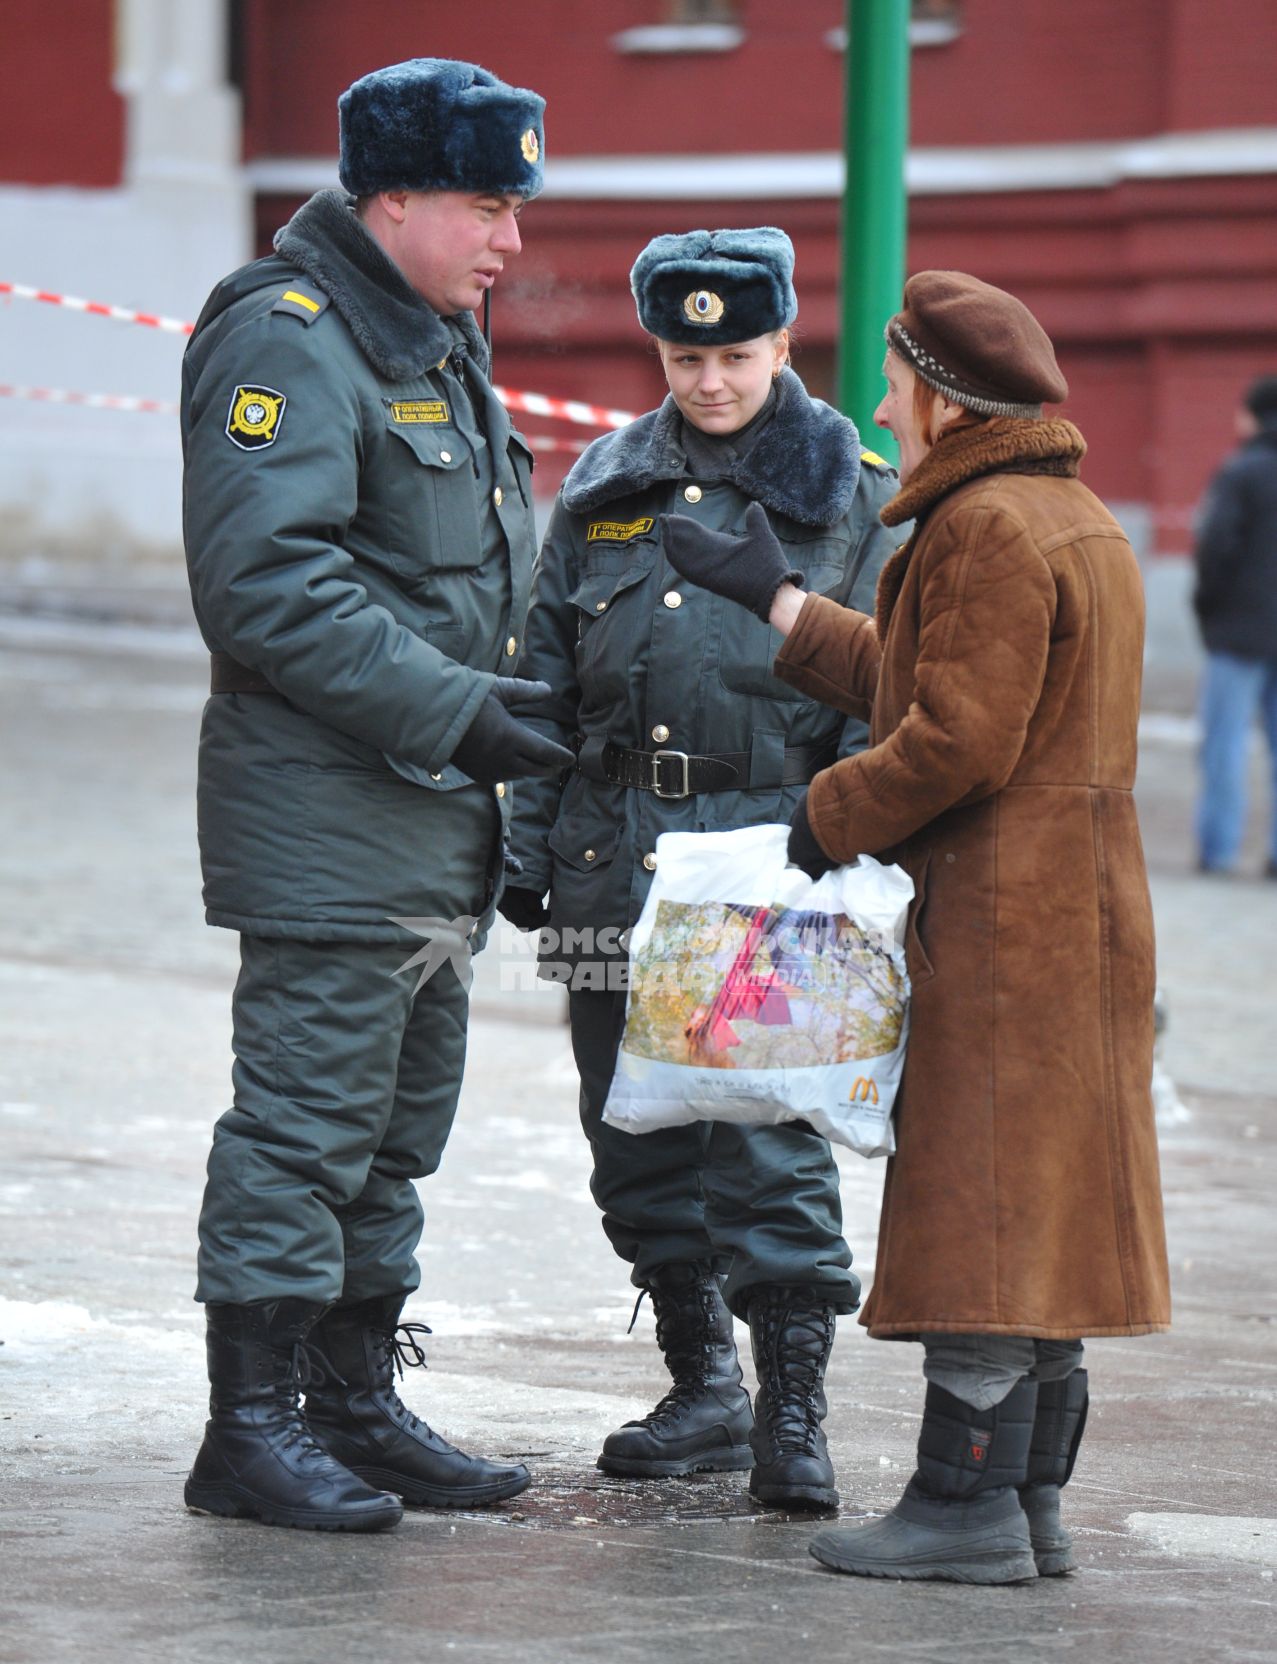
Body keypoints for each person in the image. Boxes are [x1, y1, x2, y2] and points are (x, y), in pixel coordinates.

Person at [662, 270, 1171, 1580]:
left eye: (894, 384)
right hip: (1075, 911)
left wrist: (820, 820)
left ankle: (961, 1512)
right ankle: (1027, 1510)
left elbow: (953, 735)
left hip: (1007, 921)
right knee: (1043, 1213)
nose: (881, 406)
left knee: (988, 1211)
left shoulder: (986, 527)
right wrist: (779, 601)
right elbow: (935, 677)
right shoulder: (1069, 518)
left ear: (941, 397)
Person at [180, 58, 573, 1533]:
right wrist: (460, 713)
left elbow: (469, 585)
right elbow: (265, 588)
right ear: (390, 197)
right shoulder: (284, 340)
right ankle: (252, 1428)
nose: (508, 241)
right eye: (485, 205)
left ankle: (349, 1402)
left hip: (430, 818)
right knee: (302, 1129)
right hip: (331, 817)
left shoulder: (425, 342)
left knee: (393, 1137)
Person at [504, 228, 902, 1510]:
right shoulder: (604, 486)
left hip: (768, 859)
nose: (710, 381)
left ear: (785, 344)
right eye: (684, 356)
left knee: (768, 1135)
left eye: (733, 354)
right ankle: (702, 1389)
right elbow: (543, 680)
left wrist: (837, 842)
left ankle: (793, 1410)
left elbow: (874, 691)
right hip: (605, 862)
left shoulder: (851, 496)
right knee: (628, 1134)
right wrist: (520, 847)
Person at [1192, 374, 1277, 877]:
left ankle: (1219, 852)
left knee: (1223, 745)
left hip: (1238, 634)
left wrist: (1208, 610)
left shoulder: (1242, 472)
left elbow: (1215, 549)